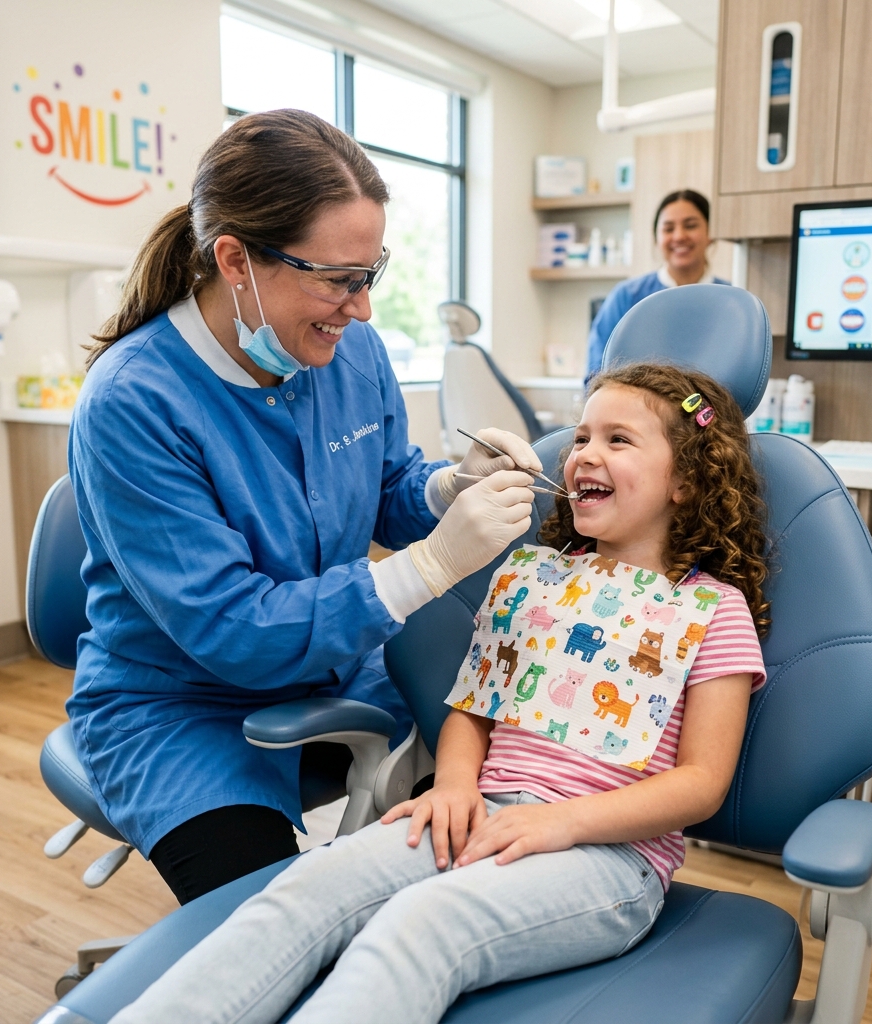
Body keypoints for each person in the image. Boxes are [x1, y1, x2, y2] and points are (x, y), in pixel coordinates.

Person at [108, 362, 770, 1024]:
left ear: (686, 481)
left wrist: (561, 821)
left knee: (420, 924)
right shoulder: (531, 577)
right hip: (481, 813)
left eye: (618, 440)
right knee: (307, 886)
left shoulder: (713, 610)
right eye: (581, 437)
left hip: (608, 856)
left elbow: (701, 783)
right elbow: (472, 710)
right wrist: (453, 786)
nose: (584, 454)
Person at [68, 108, 541, 905]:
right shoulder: (133, 400)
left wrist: (447, 488)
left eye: (370, 273)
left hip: (338, 670)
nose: (360, 309)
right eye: (336, 278)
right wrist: (430, 565)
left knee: (490, 823)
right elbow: (233, 629)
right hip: (183, 712)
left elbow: (387, 489)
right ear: (235, 260)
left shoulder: (349, 349)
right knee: (276, 932)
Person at [586, 189, 729, 380]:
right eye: (668, 229)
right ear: (656, 239)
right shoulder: (627, 297)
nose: (679, 236)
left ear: (711, 233)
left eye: (690, 225)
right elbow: (597, 375)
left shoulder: (730, 301)